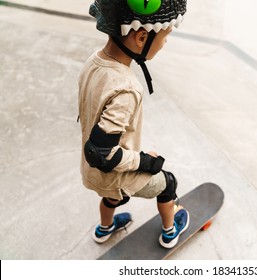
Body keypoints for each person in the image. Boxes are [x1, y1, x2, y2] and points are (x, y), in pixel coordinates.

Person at [78, 0, 189, 249]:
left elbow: (98, 147)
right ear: (141, 37)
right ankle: (170, 231)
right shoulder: (125, 88)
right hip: (113, 175)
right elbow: (103, 154)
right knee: (167, 183)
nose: (165, 43)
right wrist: (145, 161)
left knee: (111, 196)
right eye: (166, 35)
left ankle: (104, 229)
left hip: (91, 173)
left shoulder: (94, 62)